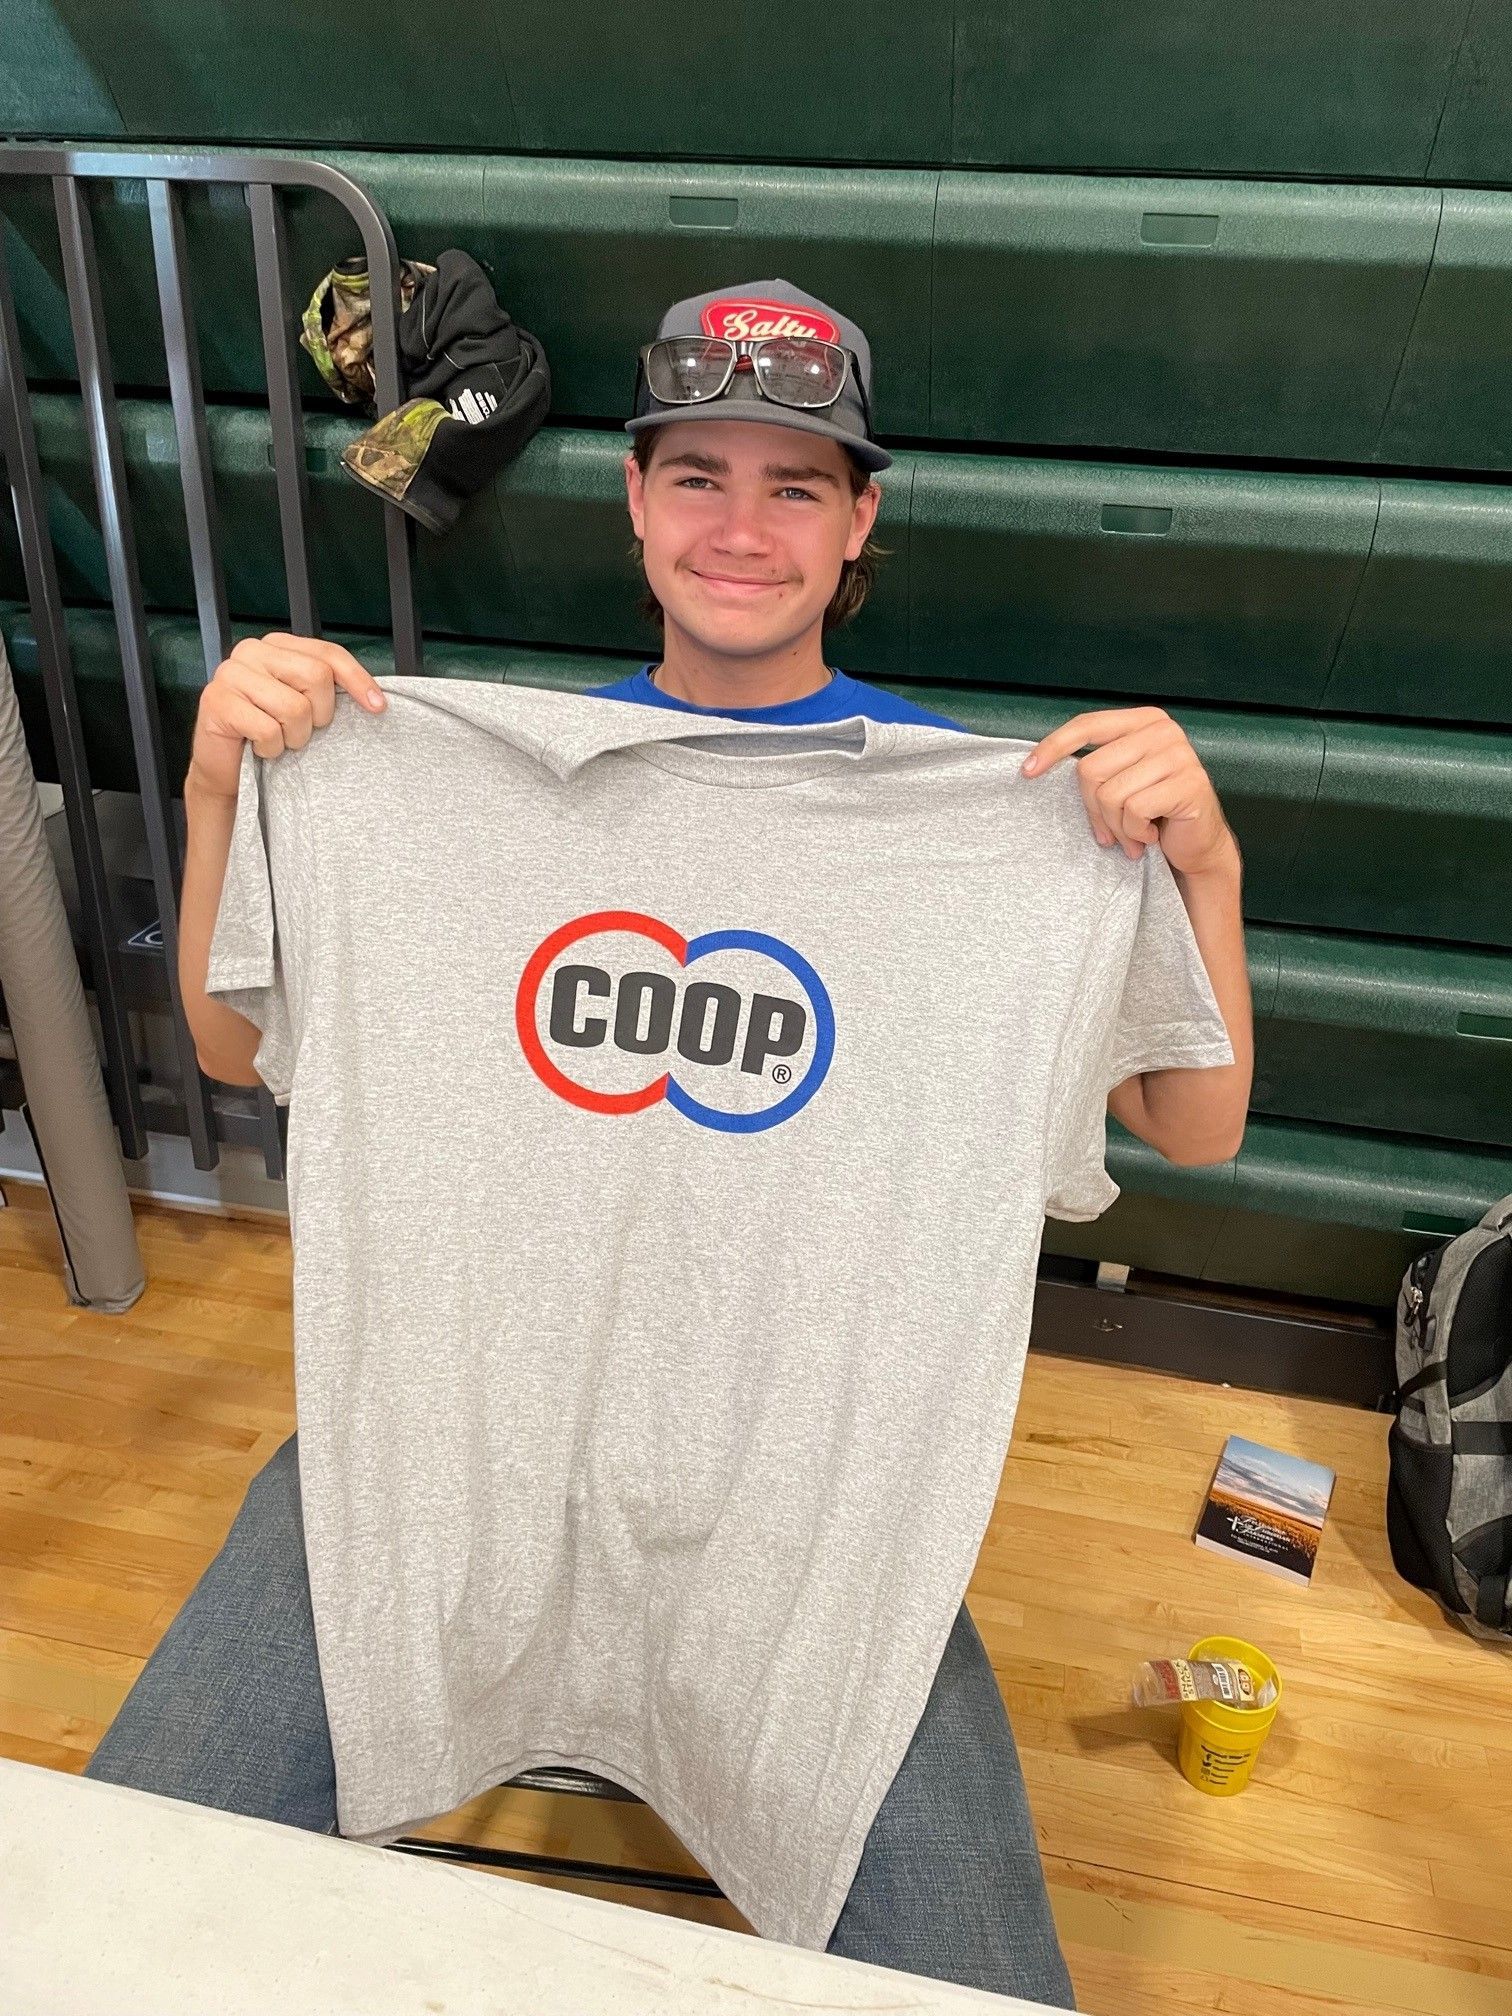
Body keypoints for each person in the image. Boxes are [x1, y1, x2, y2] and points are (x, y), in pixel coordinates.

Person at [86, 280, 1251, 2008]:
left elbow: (1194, 1127)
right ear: (633, 501)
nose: (740, 527)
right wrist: (215, 795)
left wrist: (1203, 867)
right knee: (101, 1916)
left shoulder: (994, 828)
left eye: (796, 487)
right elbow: (236, 1044)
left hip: (808, 1511)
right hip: (440, 1465)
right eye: (699, 474)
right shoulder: (439, 784)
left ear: (861, 525)